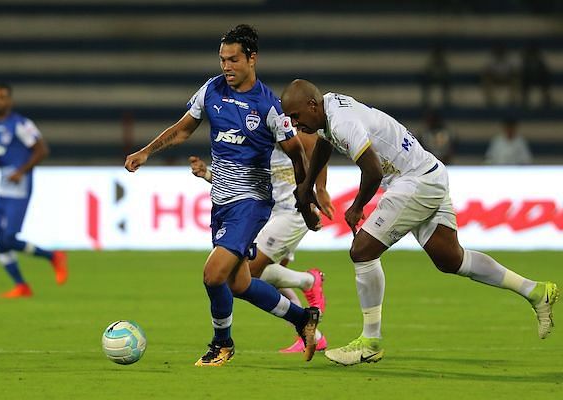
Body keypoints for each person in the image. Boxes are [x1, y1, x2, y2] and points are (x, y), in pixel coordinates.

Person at [281, 79, 559, 366]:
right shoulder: (328, 109)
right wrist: (307, 185)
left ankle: (370, 341)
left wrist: (357, 207)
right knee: (451, 259)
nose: (294, 123)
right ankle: (536, 291)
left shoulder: (342, 122)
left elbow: (373, 171)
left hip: (413, 181)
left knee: (362, 250)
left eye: (296, 116)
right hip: (430, 172)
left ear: (312, 106)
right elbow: (326, 145)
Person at [124, 25, 320, 367]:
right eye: (222, 59)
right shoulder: (211, 90)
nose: (226, 66)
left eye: (233, 60)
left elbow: (298, 153)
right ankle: (303, 319)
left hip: (252, 202)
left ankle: (222, 344)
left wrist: (306, 199)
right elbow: (184, 128)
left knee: (213, 275)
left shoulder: (269, 106)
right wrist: (146, 151)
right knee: (240, 284)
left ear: (252, 59)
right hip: (222, 201)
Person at [189, 127, 334, 354]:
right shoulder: (250, 144)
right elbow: (238, 183)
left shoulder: (284, 131)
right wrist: (208, 174)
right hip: (266, 216)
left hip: (291, 214)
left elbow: (318, 146)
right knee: (267, 279)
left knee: (245, 276)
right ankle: (312, 334)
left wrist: (320, 189)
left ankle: (309, 281)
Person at [0, 83, 68, 298]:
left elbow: (41, 150)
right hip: (2, 187)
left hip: (19, 187)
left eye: (1, 98)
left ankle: (52, 257)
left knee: (9, 237)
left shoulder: (21, 124)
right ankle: (21, 285)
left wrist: (21, 171)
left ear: (9, 101)